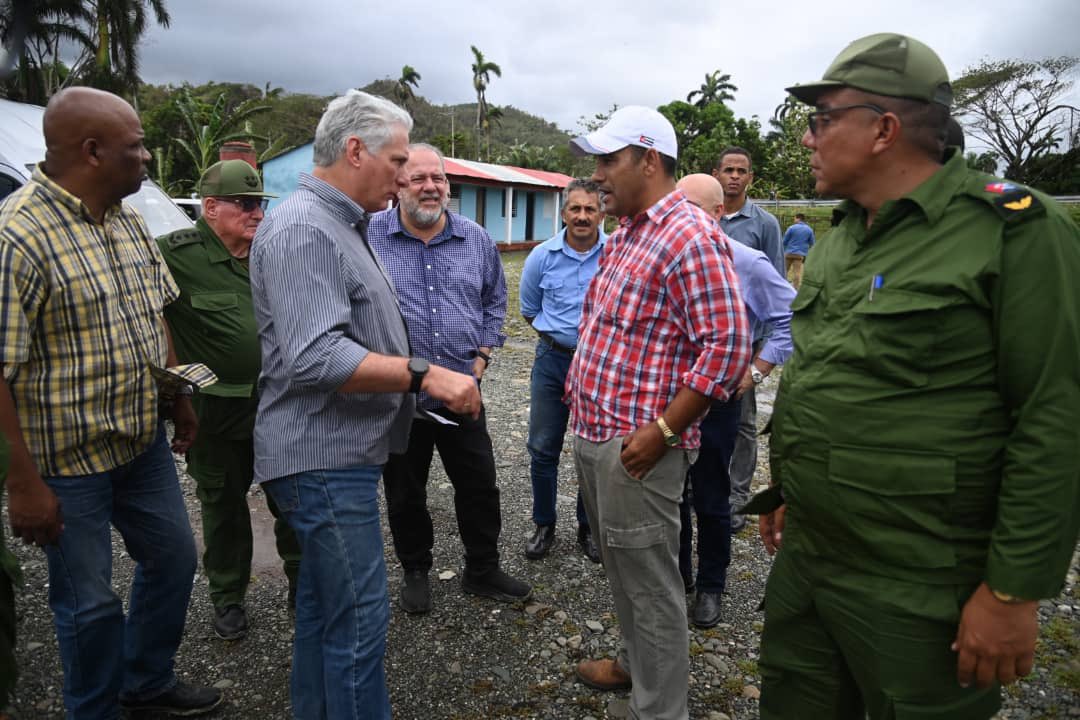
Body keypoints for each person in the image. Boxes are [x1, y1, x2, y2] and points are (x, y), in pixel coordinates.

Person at [756, 33, 1080, 720]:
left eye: (821, 120)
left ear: (884, 129)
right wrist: (790, 487)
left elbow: (1055, 415)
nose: (808, 139)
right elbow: (824, 370)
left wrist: (1013, 592)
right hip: (810, 558)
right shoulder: (842, 233)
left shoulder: (1015, 230)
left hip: (921, 581)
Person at [250, 92, 481, 719]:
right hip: (321, 458)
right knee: (358, 622)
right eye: (398, 159)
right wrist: (424, 375)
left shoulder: (337, 220)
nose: (405, 176)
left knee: (325, 611)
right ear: (355, 151)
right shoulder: (305, 228)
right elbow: (316, 359)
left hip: (335, 454)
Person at [0, 87, 221, 717]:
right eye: (137, 146)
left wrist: (177, 394)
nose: (148, 157)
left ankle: (145, 683)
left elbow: (155, 314)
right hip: (67, 463)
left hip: (139, 442)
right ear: (92, 152)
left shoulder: (126, 219)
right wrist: (23, 485)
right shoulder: (18, 236)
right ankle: (93, 709)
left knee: (175, 561)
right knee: (89, 603)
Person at [566, 106, 751, 719]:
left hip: (639, 450)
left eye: (608, 161)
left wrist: (666, 430)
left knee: (651, 587)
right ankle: (633, 663)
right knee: (624, 572)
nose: (596, 177)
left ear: (649, 160)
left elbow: (726, 347)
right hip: (597, 436)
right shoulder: (630, 234)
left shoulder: (689, 236)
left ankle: (661, 709)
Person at [368, 143, 531, 614]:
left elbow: (494, 301)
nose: (430, 187)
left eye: (437, 178)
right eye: (418, 178)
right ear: (399, 184)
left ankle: (482, 568)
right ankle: (416, 570)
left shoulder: (475, 238)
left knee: (479, 485)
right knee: (404, 491)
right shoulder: (370, 235)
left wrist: (480, 362)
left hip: (462, 392)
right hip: (399, 395)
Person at [157, 159, 301, 641]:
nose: (257, 213)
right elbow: (143, 309)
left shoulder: (271, 250)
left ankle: (304, 588)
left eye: (260, 203)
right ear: (211, 207)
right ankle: (228, 597)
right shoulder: (173, 255)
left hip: (276, 404)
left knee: (293, 500)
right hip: (214, 411)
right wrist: (172, 389)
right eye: (245, 204)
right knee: (222, 507)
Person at [675, 174, 795, 628]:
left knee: (710, 492)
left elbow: (790, 318)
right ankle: (679, 576)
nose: (682, 221)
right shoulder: (666, 256)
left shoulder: (746, 263)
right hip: (668, 399)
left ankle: (710, 586)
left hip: (718, 399)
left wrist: (757, 370)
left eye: (694, 210)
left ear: (719, 214)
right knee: (671, 494)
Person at [519, 178, 606, 563]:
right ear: (564, 212)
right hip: (552, 361)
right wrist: (560, 338)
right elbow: (529, 308)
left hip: (600, 365)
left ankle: (589, 527)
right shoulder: (541, 256)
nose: (583, 216)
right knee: (542, 447)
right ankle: (544, 523)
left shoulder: (616, 254)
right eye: (576, 209)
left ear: (602, 213)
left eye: (590, 209)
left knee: (593, 450)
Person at [712, 146, 784, 532]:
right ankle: (699, 488)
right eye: (728, 170)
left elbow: (776, 287)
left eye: (742, 170)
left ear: (750, 178)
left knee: (743, 422)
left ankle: (738, 496)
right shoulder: (705, 215)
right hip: (706, 338)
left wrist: (766, 352)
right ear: (716, 174)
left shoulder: (764, 224)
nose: (735, 176)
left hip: (747, 341)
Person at [782, 213, 815, 289]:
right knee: (797, 272)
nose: (794, 220)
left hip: (789, 252)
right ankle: (795, 288)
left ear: (798, 218)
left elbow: (784, 241)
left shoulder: (791, 228)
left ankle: (782, 286)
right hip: (800, 254)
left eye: (794, 218)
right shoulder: (809, 230)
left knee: (784, 271)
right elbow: (812, 243)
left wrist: (784, 248)